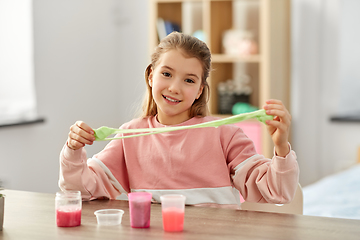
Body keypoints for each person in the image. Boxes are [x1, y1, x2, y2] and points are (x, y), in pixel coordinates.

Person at [59, 32, 299, 208]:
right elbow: (80, 191)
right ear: (151, 76)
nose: (174, 88)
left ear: (199, 90)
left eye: (189, 80)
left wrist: (281, 147)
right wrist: (73, 149)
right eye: (166, 74)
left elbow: (278, 193)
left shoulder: (225, 135)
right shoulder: (129, 135)